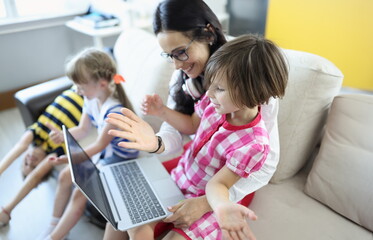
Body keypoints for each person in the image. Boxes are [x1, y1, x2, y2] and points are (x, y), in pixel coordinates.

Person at [103, 0, 282, 238]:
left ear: (208, 33)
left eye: (180, 52)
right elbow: (190, 126)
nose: (177, 65)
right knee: (124, 210)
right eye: (169, 55)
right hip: (194, 167)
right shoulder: (201, 90)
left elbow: (264, 161)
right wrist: (156, 142)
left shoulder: (254, 88)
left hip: (229, 180)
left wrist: (209, 203)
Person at [36, 48, 138, 240]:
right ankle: (54, 224)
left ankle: (55, 237)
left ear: (101, 84)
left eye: (81, 87)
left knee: (79, 193)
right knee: (66, 175)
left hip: (122, 162)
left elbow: (99, 145)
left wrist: (70, 158)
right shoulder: (90, 99)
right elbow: (82, 130)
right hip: (106, 153)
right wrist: (62, 135)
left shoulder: (114, 111)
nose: (77, 91)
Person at [0, 87, 83, 228]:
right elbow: (36, 176)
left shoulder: (36, 132)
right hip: (86, 95)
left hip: (75, 88)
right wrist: (8, 209)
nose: (30, 161)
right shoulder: (56, 148)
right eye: (33, 166)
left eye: (25, 162)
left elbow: (19, 147)